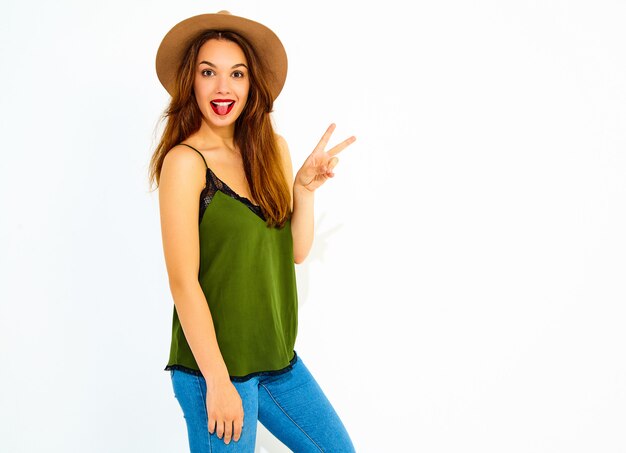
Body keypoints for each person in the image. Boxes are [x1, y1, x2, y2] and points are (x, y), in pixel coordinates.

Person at [148, 10, 357, 452]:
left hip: (276, 362)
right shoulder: (184, 163)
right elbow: (183, 282)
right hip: (215, 369)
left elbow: (295, 252)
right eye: (209, 72)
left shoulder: (272, 150)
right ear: (192, 81)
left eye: (236, 74)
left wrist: (303, 189)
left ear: (251, 84)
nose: (223, 87)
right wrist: (218, 383)